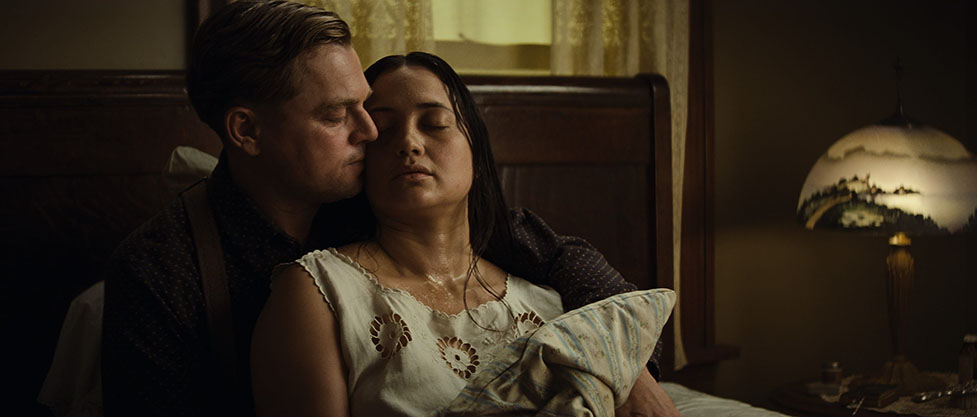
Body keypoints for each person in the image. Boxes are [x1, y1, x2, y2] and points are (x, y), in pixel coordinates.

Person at [102, 1, 670, 416]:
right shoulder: (164, 272)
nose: (375, 134)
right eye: (336, 115)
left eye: (365, 107)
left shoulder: (399, 200)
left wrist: (629, 365)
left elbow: (561, 254)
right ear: (246, 131)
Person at [251, 51, 679, 417]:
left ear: (475, 145)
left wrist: (631, 368)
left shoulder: (550, 300)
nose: (409, 143)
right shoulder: (320, 292)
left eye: (435, 123)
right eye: (384, 130)